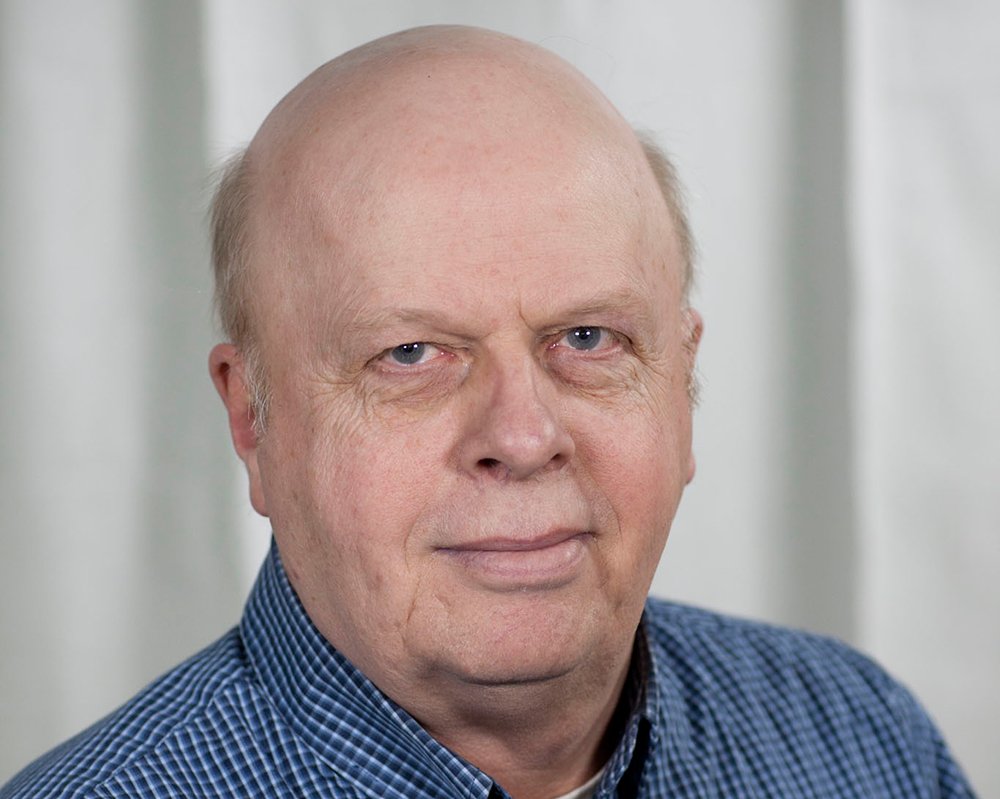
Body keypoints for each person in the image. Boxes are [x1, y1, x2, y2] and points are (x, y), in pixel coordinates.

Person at [1, 24, 975, 799]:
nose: (521, 436)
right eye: (409, 355)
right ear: (253, 421)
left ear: (683, 382)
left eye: (588, 337)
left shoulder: (864, 743)